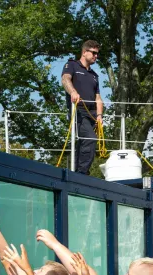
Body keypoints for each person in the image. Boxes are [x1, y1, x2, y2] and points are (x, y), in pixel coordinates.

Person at [61, 40, 104, 175]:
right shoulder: (72, 65)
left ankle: (77, 171)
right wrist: (73, 92)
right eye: (94, 53)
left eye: (97, 54)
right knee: (90, 138)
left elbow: (98, 98)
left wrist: (99, 115)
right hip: (78, 112)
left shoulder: (94, 76)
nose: (96, 56)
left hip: (92, 115)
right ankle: (82, 173)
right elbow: (65, 79)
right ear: (85, 52)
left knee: (84, 142)